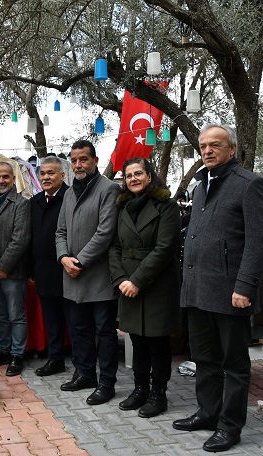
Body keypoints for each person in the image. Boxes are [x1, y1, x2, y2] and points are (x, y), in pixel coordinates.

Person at [172, 124, 263, 452]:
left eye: (216, 145)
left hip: (232, 293)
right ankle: (207, 413)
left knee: (235, 364)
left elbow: (259, 241)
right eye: (203, 146)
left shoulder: (249, 184)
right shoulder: (202, 184)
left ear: (232, 149)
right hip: (199, 290)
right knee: (204, 359)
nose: (207, 150)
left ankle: (230, 427)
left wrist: (245, 286)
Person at [108, 158, 181, 418]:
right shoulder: (123, 207)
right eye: (128, 176)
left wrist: (137, 281)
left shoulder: (167, 206)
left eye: (138, 173)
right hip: (127, 283)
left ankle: (158, 394)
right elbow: (114, 247)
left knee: (157, 342)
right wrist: (121, 280)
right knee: (136, 340)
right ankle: (140, 390)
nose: (133, 179)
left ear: (150, 176)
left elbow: (164, 250)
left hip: (156, 284)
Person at [55, 140, 120, 405]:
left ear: (95, 160)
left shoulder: (109, 189)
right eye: (74, 160)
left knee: (104, 333)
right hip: (71, 275)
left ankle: (106, 383)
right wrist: (63, 258)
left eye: (83, 159)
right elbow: (60, 231)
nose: (78, 164)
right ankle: (84, 374)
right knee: (79, 329)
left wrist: (79, 261)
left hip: (98, 277)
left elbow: (105, 233)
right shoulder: (70, 192)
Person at [0, 162, 31, 376]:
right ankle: (3, 351)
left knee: (15, 316)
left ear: (13, 179)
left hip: (11, 272)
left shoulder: (21, 203)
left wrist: (3, 266)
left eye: (5, 177)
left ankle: (17, 355)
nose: (1, 181)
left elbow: (20, 239)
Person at [30, 157, 70, 377]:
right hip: (43, 272)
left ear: (62, 175)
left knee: (76, 323)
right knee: (52, 322)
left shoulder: (71, 199)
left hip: (68, 272)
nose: (45, 177)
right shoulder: (35, 202)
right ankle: (56, 360)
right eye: (42, 173)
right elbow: (31, 238)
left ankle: (85, 365)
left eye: (51, 173)